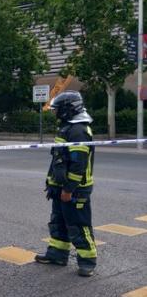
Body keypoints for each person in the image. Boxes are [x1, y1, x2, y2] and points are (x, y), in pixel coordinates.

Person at [35, 91, 97, 277]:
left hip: (75, 189)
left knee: (78, 225)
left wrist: (69, 188)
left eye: (58, 109)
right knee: (59, 222)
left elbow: (78, 165)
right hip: (61, 187)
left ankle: (87, 261)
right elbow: (60, 159)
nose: (55, 113)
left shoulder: (78, 130)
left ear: (68, 109)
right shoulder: (69, 127)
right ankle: (57, 254)